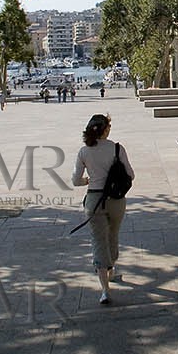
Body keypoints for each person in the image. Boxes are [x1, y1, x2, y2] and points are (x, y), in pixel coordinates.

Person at [72, 114, 133, 305]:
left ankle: (105, 289)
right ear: (106, 129)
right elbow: (130, 174)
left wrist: (87, 181)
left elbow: (76, 180)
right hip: (116, 199)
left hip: (94, 200)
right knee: (113, 235)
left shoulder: (84, 151)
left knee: (98, 241)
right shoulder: (117, 148)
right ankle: (111, 269)